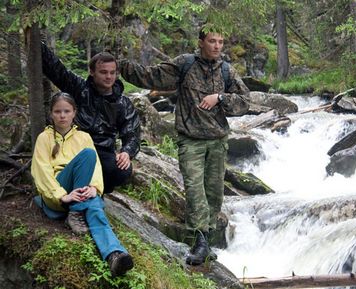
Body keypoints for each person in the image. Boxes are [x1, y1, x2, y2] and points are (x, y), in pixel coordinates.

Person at [119, 28, 250, 265]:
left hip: (218, 141)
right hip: (190, 140)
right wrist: (119, 64)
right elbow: (150, 76)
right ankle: (200, 241)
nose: (217, 46)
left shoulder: (226, 71)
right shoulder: (185, 64)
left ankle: (205, 241)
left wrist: (219, 97)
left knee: (214, 194)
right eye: (212, 41)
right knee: (194, 189)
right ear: (201, 42)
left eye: (221, 41)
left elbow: (244, 102)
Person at [31, 92, 134, 277]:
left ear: (74, 113)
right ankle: (77, 209)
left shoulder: (83, 137)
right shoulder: (44, 138)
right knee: (87, 155)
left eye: (66, 111)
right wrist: (62, 195)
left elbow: (94, 168)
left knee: (93, 203)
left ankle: (114, 255)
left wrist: (93, 187)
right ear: (51, 114)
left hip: (79, 192)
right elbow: (41, 171)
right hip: (59, 193)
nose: (62, 115)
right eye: (57, 111)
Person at [40, 43, 141, 195]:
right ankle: (72, 192)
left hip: (103, 151)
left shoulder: (123, 103)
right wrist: (39, 46)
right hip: (75, 147)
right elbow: (57, 71)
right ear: (92, 72)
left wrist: (127, 152)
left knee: (122, 170)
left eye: (112, 73)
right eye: (103, 72)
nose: (108, 77)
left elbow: (132, 132)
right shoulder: (80, 89)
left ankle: (97, 191)